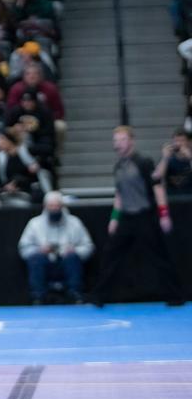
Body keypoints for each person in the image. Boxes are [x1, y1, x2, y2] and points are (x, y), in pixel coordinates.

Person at [90, 126, 185, 306]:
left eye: (122, 139)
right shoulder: (117, 166)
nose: (118, 143)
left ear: (131, 141)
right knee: (110, 256)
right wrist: (114, 218)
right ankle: (99, 296)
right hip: (126, 218)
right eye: (116, 140)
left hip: (144, 216)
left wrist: (164, 214)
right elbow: (119, 194)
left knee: (158, 257)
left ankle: (175, 296)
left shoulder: (143, 162)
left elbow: (157, 186)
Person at [18, 191, 94, 304]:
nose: (54, 209)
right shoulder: (34, 224)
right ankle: (38, 296)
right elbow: (23, 248)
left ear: (62, 206)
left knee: (72, 257)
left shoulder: (75, 222)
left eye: (57, 206)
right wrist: (39, 250)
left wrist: (75, 251)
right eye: (51, 206)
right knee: (36, 258)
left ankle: (75, 295)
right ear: (45, 206)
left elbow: (89, 246)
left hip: (66, 262)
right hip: (44, 262)